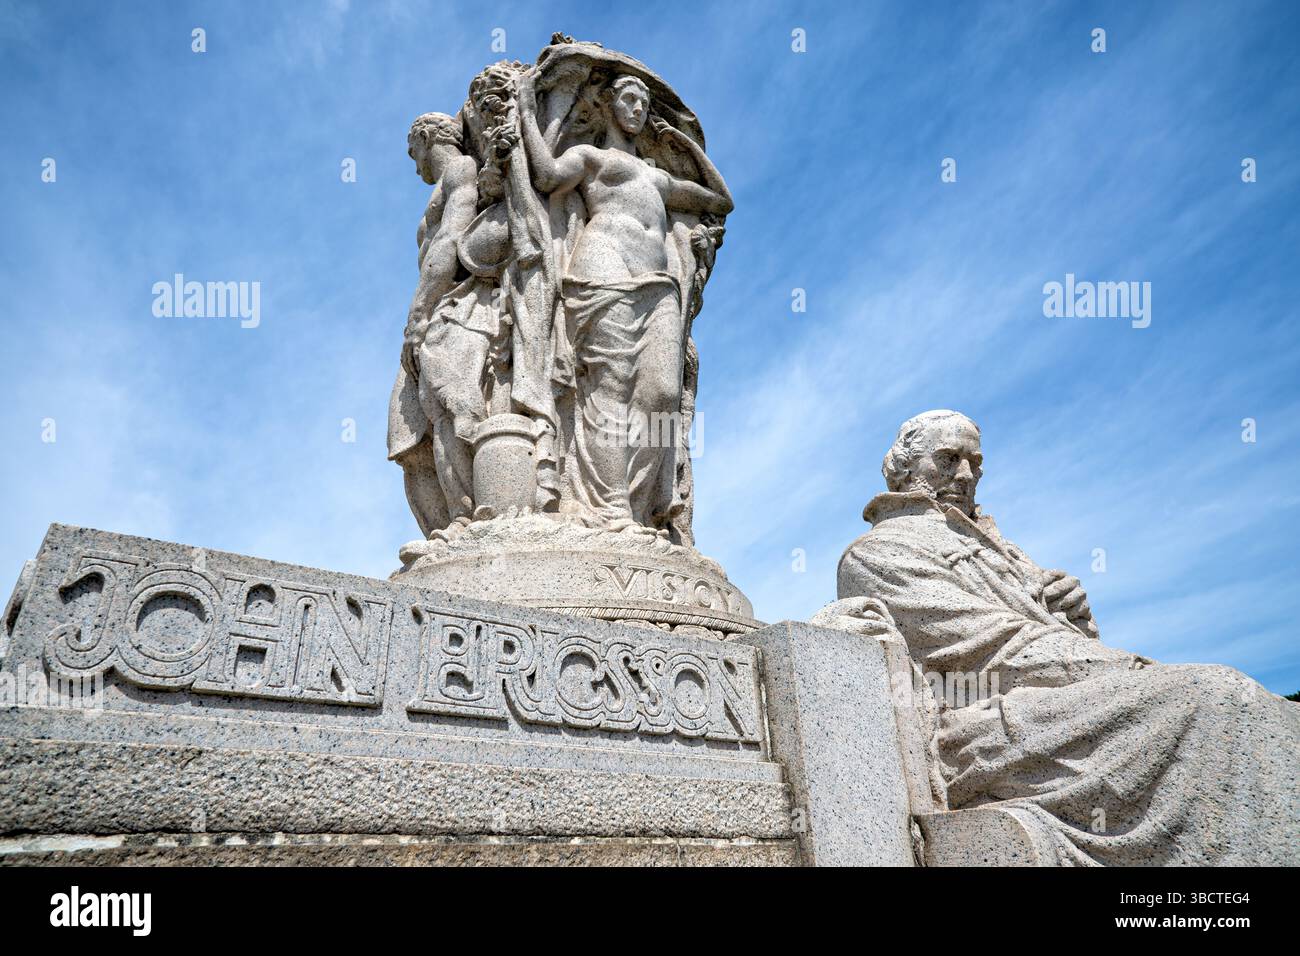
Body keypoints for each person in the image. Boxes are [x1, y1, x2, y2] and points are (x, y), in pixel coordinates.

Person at [828, 409, 1299, 865]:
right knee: (1214, 694)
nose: (967, 475)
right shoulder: (879, 552)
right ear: (904, 466)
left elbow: (1050, 645)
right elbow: (992, 653)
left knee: (1271, 711)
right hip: (977, 724)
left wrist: (1077, 618)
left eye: (976, 463)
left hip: (1046, 704)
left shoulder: (1001, 549)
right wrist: (1122, 666)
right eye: (949, 459)